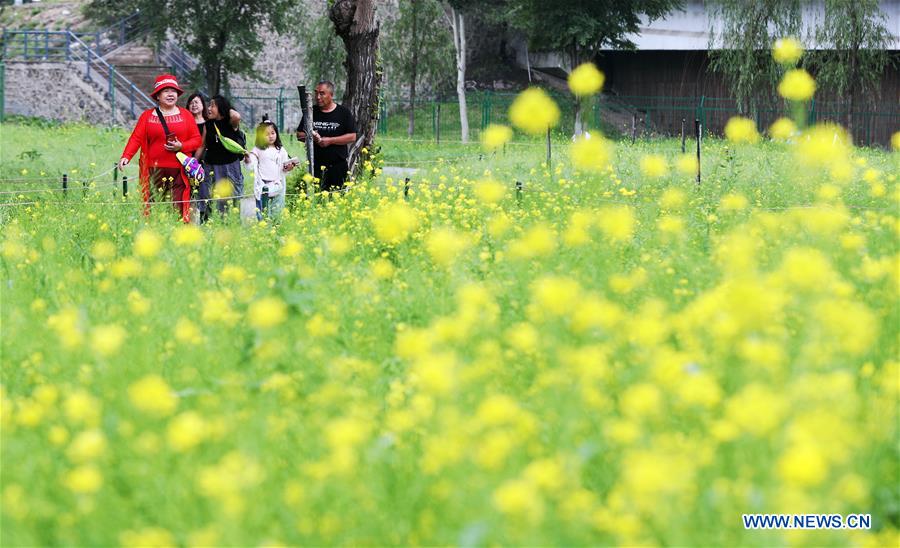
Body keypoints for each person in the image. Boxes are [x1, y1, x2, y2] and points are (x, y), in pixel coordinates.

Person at [118, 74, 202, 222]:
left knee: (178, 208)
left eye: (173, 91)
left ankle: (179, 233)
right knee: (153, 207)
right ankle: (154, 233)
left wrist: (181, 146)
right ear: (157, 96)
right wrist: (126, 156)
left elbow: (197, 140)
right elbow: (136, 138)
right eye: (166, 91)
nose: (170, 94)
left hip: (179, 170)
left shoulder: (186, 115)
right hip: (153, 171)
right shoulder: (147, 116)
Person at [295, 81, 357, 193]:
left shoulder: (343, 113)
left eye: (322, 93)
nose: (318, 97)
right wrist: (312, 137)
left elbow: (352, 137)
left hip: (337, 166)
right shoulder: (311, 112)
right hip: (315, 165)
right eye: (316, 93)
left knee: (338, 197)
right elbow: (299, 135)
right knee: (316, 197)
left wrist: (330, 141)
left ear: (331, 95)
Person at [244, 119, 297, 220]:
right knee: (263, 213)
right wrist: (247, 158)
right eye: (267, 134)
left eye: (273, 133)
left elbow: (284, 167)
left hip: (278, 185)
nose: (271, 136)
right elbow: (251, 165)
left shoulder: (281, 150)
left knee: (277, 212)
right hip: (262, 186)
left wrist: (288, 167)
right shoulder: (257, 149)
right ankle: (263, 227)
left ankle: (275, 227)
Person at [205, 95, 245, 215]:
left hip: (230, 167)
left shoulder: (231, 123)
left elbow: (236, 116)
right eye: (209, 105)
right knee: (215, 199)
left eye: (212, 105)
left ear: (221, 108)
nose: (209, 108)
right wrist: (192, 163)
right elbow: (202, 146)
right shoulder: (208, 124)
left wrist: (226, 108)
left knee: (232, 199)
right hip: (212, 167)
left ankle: (233, 223)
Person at [186, 92, 212, 224]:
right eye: (191, 103)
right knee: (189, 194)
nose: (194, 105)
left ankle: (205, 221)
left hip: (205, 163)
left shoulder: (209, 123)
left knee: (205, 194)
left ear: (203, 104)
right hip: (187, 163)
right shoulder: (185, 122)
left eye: (196, 102)